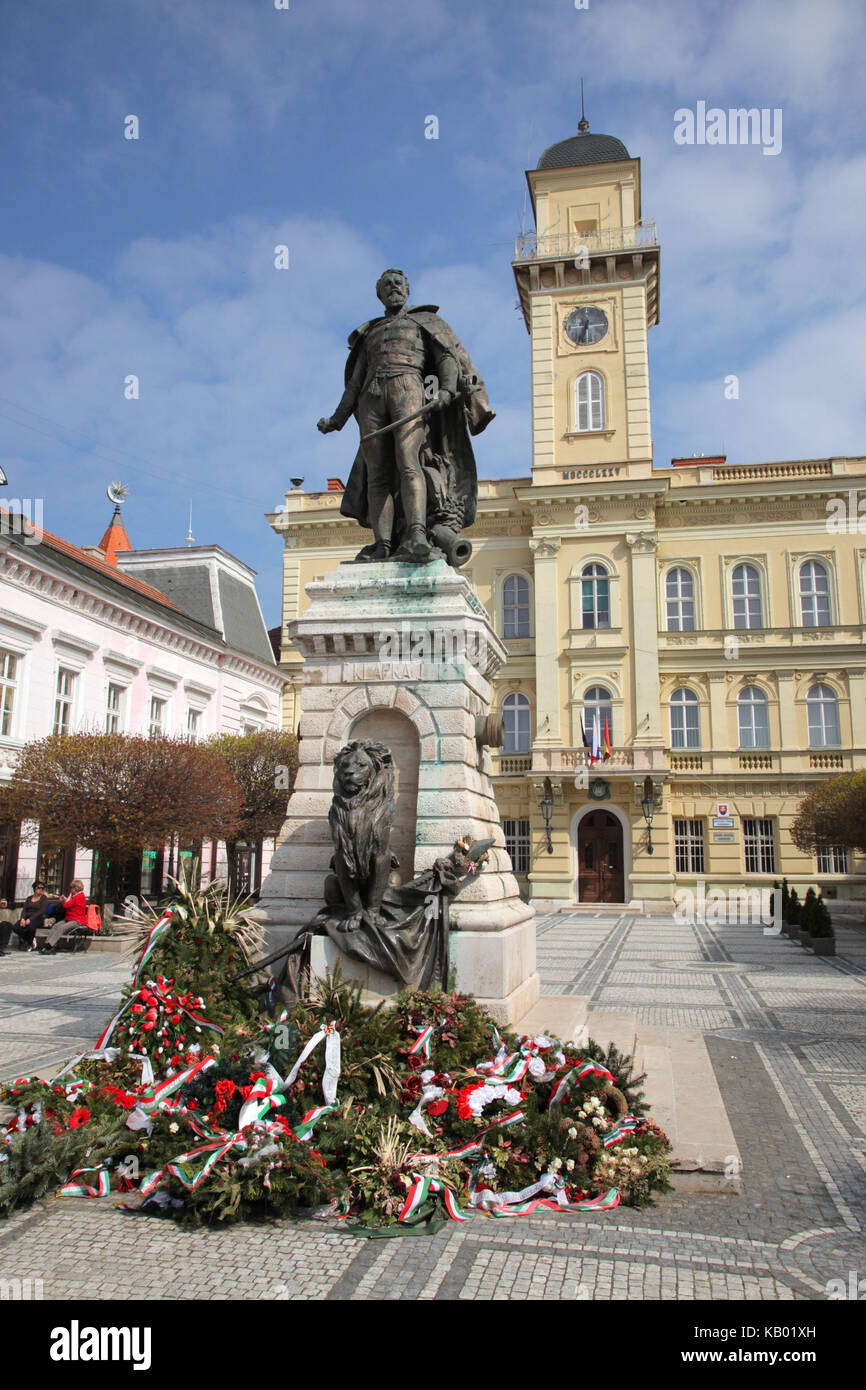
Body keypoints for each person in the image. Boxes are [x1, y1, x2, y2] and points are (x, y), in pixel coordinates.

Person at [40, 879, 89, 953]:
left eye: (71, 888)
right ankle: (48, 944)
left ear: (75, 889)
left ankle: (50, 946)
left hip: (77, 920)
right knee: (55, 926)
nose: (70, 890)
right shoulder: (76, 897)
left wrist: (69, 896)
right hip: (69, 918)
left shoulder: (79, 897)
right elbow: (71, 904)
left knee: (61, 928)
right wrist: (67, 898)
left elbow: (66, 905)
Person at [13, 881, 54, 951]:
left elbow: (42, 911)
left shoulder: (43, 898)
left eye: (42, 888)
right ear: (34, 889)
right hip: (27, 917)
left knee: (30, 927)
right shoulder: (29, 898)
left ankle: (29, 943)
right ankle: (28, 939)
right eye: (39, 888)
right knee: (16, 927)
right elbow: (24, 909)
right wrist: (22, 919)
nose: (41, 889)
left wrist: (30, 919)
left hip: (38, 918)